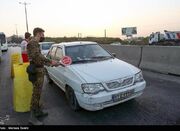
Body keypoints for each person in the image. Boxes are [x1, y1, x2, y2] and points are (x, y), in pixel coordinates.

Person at [27, 27, 58, 125]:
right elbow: (37, 57)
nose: (43, 36)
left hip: (39, 69)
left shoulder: (35, 43)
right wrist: (50, 61)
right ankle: (32, 118)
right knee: (36, 94)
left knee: (38, 93)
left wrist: (49, 64)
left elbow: (39, 58)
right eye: (42, 34)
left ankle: (38, 112)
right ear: (38, 33)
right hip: (36, 71)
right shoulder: (32, 43)